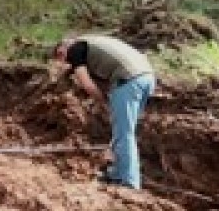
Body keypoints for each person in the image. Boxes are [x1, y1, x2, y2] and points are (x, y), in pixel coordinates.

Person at [51, 35, 155, 189]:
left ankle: (129, 181)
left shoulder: (76, 48)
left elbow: (87, 84)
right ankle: (118, 173)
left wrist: (104, 103)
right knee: (124, 131)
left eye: (61, 54)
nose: (65, 60)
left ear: (68, 45)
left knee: (123, 132)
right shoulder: (95, 43)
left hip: (128, 80)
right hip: (147, 77)